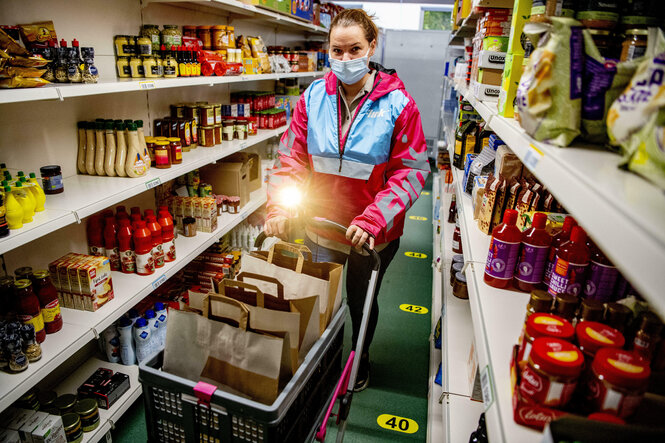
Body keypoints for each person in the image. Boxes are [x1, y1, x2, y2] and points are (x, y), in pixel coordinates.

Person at [265, 8, 430, 391]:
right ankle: (322, 363)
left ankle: (360, 358)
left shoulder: (399, 106)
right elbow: (291, 157)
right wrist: (279, 206)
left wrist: (373, 220)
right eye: (336, 51)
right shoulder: (311, 98)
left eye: (354, 48)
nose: (345, 59)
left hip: (371, 236)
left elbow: (411, 171)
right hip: (320, 228)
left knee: (360, 301)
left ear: (372, 46)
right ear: (327, 51)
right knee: (319, 300)